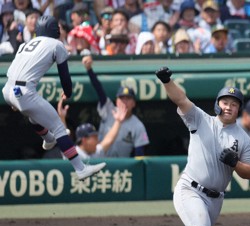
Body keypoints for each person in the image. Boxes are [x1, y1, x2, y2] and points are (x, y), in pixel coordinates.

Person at [155, 67, 250, 226]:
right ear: (217, 104)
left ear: (239, 109)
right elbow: (181, 100)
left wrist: (235, 163)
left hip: (215, 199)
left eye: (234, 104)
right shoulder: (201, 120)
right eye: (225, 102)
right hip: (190, 189)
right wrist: (167, 81)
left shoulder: (243, 138)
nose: (229, 107)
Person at [1, 15, 106, 180]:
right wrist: (68, 92)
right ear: (54, 30)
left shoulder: (26, 44)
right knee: (58, 127)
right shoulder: (57, 44)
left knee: (34, 113)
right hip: (24, 91)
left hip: (7, 89)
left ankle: (47, 139)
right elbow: (64, 76)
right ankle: (80, 169)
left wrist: (14, 98)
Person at [82, 55, 150, 157]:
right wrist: (89, 70)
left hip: (121, 168)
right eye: (122, 98)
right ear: (117, 101)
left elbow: (139, 154)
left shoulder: (138, 125)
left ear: (134, 103)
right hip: (100, 161)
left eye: (128, 98)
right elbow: (99, 90)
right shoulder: (110, 110)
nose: (124, 101)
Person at [57, 97, 128, 159]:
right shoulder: (73, 153)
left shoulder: (95, 152)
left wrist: (118, 121)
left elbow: (109, 140)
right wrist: (62, 118)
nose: (97, 141)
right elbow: (64, 138)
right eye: (94, 137)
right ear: (84, 140)